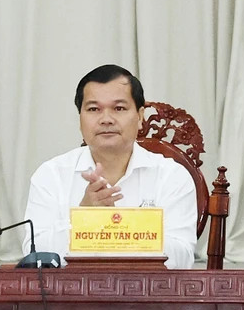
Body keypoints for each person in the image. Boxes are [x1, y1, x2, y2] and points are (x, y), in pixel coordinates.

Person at [23, 64, 197, 268]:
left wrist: (114, 226)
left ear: (140, 117)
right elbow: (33, 256)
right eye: (94, 109)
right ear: (80, 119)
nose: (106, 119)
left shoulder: (171, 176)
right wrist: (83, 218)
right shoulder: (51, 175)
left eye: (119, 108)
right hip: (71, 296)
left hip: (148, 295)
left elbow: (182, 258)